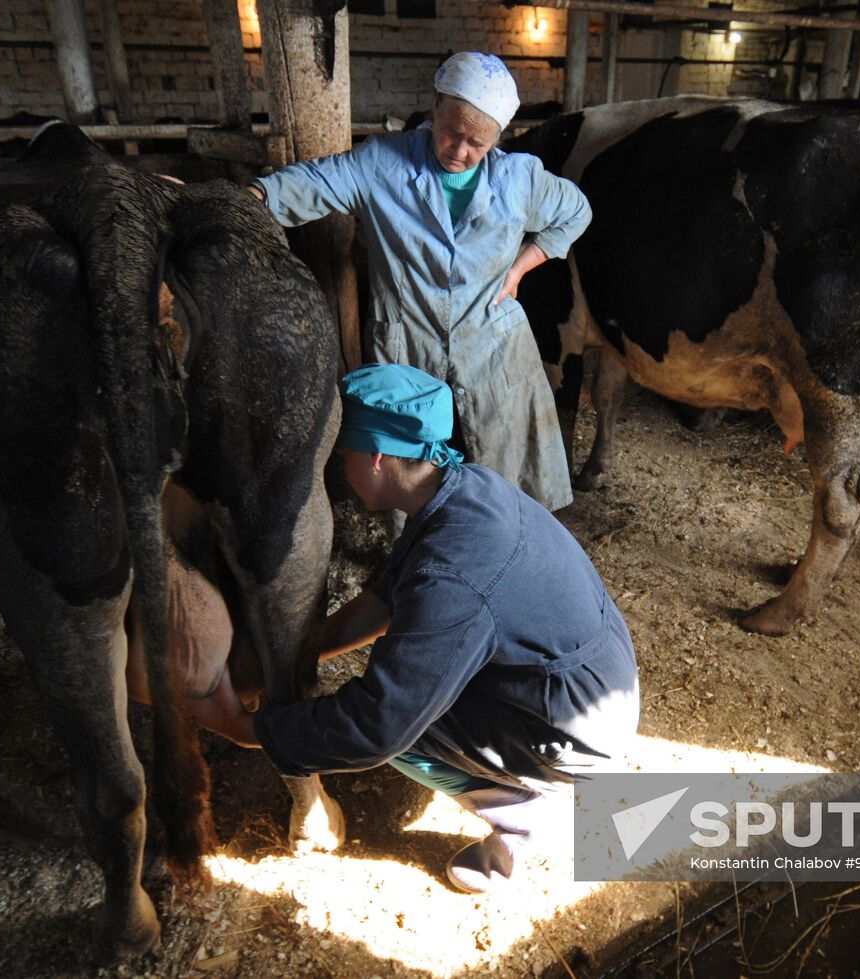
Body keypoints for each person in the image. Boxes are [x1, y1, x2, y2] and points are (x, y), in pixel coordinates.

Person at [222, 363, 640, 893]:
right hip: (587, 677)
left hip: (575, 729)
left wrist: (247, 729)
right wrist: (300, 654)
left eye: (343, 455)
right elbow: (385, 597)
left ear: (376, 457)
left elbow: (375, 728)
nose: (341, 469)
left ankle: (528, 817)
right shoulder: (464, 486)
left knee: (400, 727)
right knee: (407, 685)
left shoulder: (453, 574)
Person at [246, 52, 590, 512]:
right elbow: (311, 183)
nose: (460, 150)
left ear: (496, 140)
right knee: (410, 473)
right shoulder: (382, 164)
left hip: (493, 344)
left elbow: (576, 211)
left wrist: (521, 265)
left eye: (478, 143)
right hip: (409, 339)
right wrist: (249, 197)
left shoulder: (520, 178)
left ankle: (499, 538)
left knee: (504, 470)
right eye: (453, 132)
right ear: (435, 108)